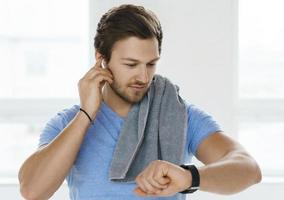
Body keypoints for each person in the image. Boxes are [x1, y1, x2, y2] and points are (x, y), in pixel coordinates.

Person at [18, 4, 261, 200]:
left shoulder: (179, 114)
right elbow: (32, 191)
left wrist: (189, 177)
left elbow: (248, 169)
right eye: (131, 65)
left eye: (151, 64)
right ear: (102, 60)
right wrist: (86, 115)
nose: (143, 77)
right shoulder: (67, 123)